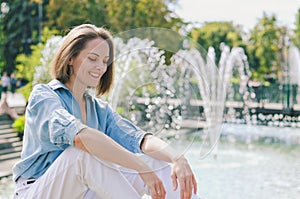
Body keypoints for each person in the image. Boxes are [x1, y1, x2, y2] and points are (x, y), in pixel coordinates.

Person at [12, 24, 200, 199]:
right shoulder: (44, 96)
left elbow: (139, 139)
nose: (101, 67)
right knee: (81, 155)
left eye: (105, 61)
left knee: (154, 162)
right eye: (92, 59)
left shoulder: (99, 109)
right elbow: (81, 139)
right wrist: (139, 167)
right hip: (37, 191)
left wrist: (177, 158)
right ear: (70, 58)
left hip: (83, 192)